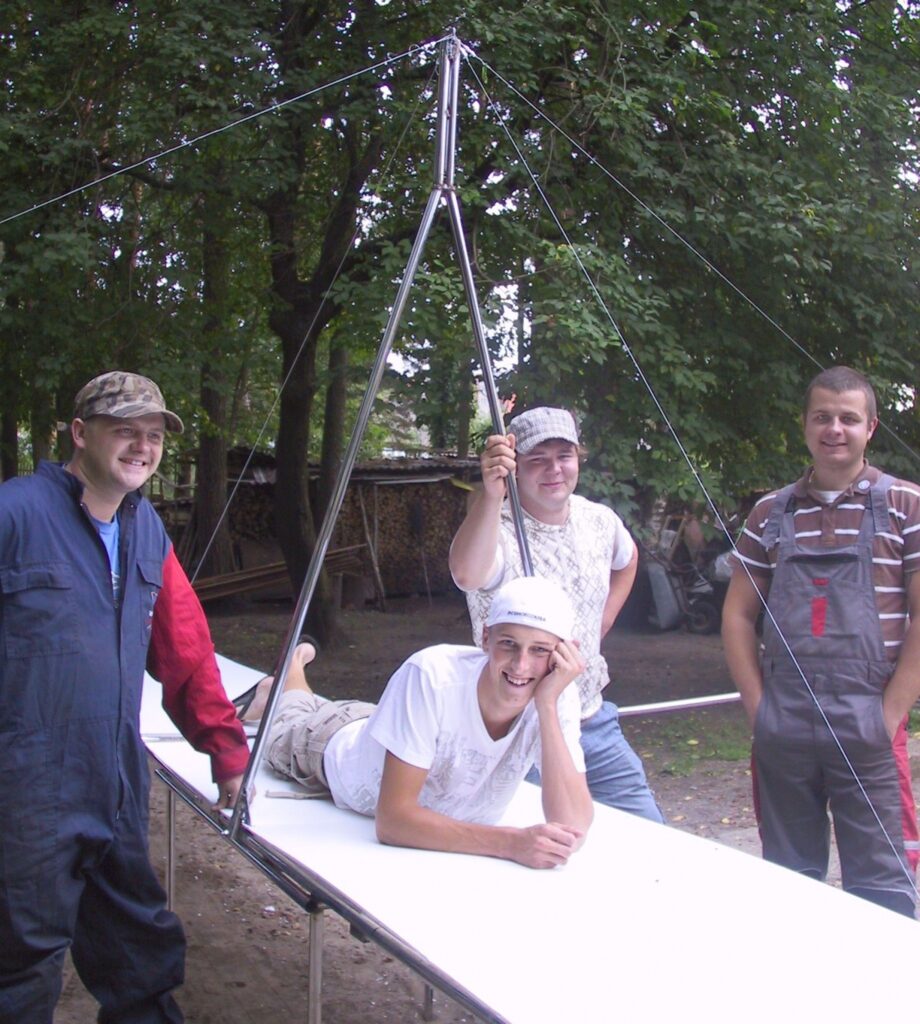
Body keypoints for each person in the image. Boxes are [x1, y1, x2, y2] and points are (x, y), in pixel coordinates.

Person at [0, 371, 250, 1022]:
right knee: (19, 965)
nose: (142, 447)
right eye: (125, 432)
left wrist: (225, 747)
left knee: (138, 956)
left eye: (153, 435)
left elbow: (185, 647)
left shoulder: (145, 532)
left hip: (114, 782)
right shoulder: (17, 514)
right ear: (80, 434)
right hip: (25, 788)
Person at [721, 365, 920, 916]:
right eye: (822, 417)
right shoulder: (770, 513)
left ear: (871, 427)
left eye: (849, 419)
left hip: (869, 716)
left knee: (885, 884)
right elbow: (737, 615)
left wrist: (892, 712)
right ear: (806, 425)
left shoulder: (907, 505)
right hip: (785, 716)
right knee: (788, 882)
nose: (835, 429)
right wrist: (758, 706)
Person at [261, 576, 593, 868]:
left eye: (539, 650)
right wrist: (510, 843)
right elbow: (393, 822)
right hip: (332, 743)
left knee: (334, 710)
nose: (521, 666)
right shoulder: (431, 675)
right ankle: (290, 672)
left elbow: (572, 828)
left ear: (565, 655)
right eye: (509, 644)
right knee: (288, 715)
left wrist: (546, 705)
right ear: (485, 638)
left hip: (399, 731)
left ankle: (287, 686)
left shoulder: (557, 695)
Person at [449, 406, 663, 822]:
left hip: (590, 717)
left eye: (564, 456)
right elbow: (466, 573)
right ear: (513, 467)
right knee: (536, 847)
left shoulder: (599, 520)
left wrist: (601, 623)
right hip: (515, 728)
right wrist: (491, 495)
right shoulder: (499, 529)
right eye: (536, 459)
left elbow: (628, 558)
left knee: (648, 830)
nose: (554, 469)